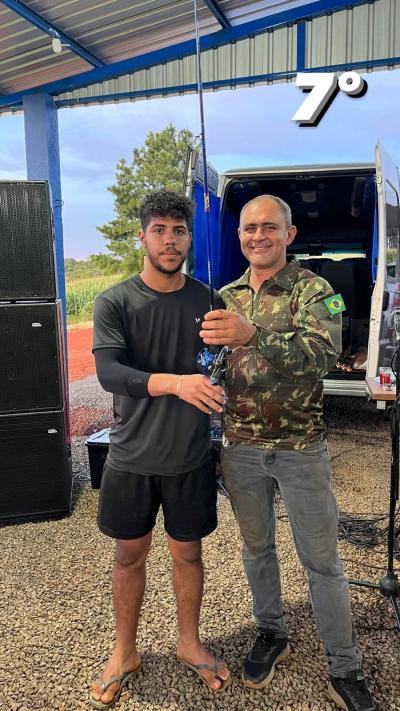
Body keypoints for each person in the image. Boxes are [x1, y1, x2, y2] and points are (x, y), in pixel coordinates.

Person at [199, 194, 377, 711]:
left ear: (289, 234)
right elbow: (212, 360)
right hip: (242, 449)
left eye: (269, 227)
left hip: (300, 449)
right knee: (257, 551)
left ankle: (345, 668)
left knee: (322, 562)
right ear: (239, 236)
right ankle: (271, 633)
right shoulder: (225, 294)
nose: (258, 236)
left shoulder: (316, 290)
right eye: (249, 228)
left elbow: (322, 355)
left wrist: (254, 334)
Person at [90, 189, 230, 709]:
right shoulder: (115, 301)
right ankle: (124, 651)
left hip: (191, 456)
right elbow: (110, 374)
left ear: (190, 237)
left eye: (179, 230)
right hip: (131, 457)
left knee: (188, 553)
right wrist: (176, 383)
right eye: (159, 230)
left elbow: (222, 365)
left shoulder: (209, 299)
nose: (169, 241)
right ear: (142, 236)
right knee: (129, 556)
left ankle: (188, 641)